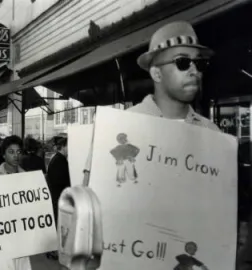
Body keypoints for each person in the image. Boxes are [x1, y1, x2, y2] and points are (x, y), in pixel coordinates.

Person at [83, 21, 220, 186]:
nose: (195, 71)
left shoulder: (212, 134)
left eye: (199, 63)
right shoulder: (118, 129)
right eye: (182, 62)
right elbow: (90, 199)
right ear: (157, 73)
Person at [0, 135, 30, 270]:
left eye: (19, 152)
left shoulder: (27, 177)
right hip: (0, 237)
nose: (16, 156)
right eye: (11, 152)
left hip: (21, 236)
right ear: (3, 155)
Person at [46, 137, 70, 260]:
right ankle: (54, 250)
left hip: (57, 197)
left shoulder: (57, 159)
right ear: (63, 147)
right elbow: (61, 181)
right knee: (57, 224)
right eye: (68, 146)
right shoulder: (60, 161)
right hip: (58, 197)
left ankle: (55, 250)